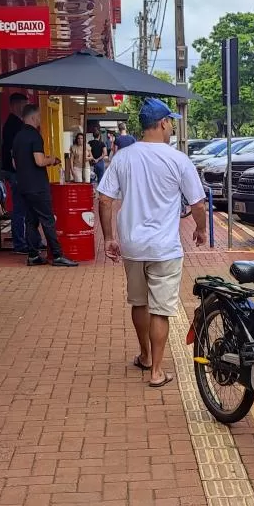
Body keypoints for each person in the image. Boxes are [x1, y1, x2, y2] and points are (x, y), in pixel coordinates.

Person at [97, 98, 207, 387]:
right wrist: (201, 229)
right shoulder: (178, 159)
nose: (171, 127)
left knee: (138, 302)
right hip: (164, 248)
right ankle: (157, 371)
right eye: (170, 122)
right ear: (162, 124)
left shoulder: (123, 157)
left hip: (132, 245)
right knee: (160, 308)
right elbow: (197, 203)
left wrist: (109, 237)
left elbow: (105, 199)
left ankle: (145, 355)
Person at [12, 104, 78, 268]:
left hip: (23, 186)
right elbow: (39, 161)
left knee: (31, 220)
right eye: (39, 117)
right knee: (48, 220)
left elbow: (14, 163)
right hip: (38, 186)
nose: (40, 120)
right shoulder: (35, 136)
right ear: (33, 118)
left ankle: (33, 255)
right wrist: (53, 160)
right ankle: (57, 255)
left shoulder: (18, 137)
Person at [0, 93, 34, 254]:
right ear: (14, 105)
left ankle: (29, 240)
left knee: (25, 208)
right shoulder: (13, 125)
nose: (25, 108)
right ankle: (20, 244)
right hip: (16, 173)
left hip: (18, 172)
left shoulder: (18, 124)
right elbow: (15, 152)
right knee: (20, 208)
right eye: (23, 105)